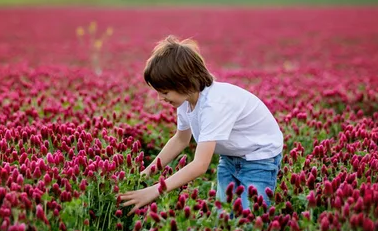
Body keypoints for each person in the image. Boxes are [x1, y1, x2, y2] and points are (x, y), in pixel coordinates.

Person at [119, 35, 283, 215]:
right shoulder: (186, 100)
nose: (160, 98)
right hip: (230, 157)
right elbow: (181, 140)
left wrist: (155, 190)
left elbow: (200, 165)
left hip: (259, 159)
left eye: (164, 92)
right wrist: (146, 173)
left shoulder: (213, 106)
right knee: (225, 218)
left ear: (185, 83)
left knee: (250, 217)